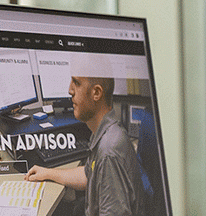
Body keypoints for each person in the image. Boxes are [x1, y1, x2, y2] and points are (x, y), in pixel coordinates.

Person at [25, 77, 147, 216]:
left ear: (96, 93)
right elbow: (89, 175)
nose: (70, 90)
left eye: (76, 83)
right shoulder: (105, 131)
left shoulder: (108, 151)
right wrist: (48, 173)